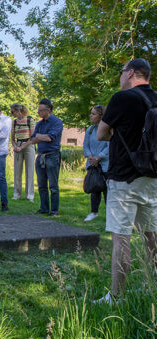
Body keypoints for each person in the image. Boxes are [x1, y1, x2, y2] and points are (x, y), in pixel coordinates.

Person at [95, 58, 157, 304]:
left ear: (131, 73)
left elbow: (101, 133)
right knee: (152, 235)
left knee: (121, 237)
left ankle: (116, 296)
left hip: (124, 178)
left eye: (122, 72)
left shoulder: (122, 98)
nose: (120, 77)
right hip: (152, 177)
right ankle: (151, 285)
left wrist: (118, 133)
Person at [15, 99, 63, 217]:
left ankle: (54, 210)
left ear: (48, 110)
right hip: (40, 155)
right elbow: (32, 139)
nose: (38, 112)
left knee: (53, 185)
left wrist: (39, 136)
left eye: (40, 110)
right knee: (41, 184)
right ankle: (44, 208)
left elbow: (49, 138)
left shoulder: (56, 122)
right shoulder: (40, 124)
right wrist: (40, 137)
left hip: (52, 155)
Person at [83, 105, 109, 222]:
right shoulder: (90, 130)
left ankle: (111, 216)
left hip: (105, 165)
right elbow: (85, 145)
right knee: (94, 189)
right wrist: (90, 157)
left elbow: (110, 146)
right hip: (92, 164)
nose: (91, 116)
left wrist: (99, 157)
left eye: (93, 114)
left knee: (108, 191)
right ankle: (94, 212)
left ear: (101, 116)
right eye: (91, 113)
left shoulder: (108, 129)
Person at [10, 103, 36, 202]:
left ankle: (29, 195)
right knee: (17, 172)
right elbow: (12, 137)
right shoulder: (14, 122)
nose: (12, 114)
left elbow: (32, 137)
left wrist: (22, 147)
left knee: (29, 171)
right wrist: (15, 146)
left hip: (28, 146)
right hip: (18, 146)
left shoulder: (30, 120)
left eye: (13, 112)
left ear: (18, 111)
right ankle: (17, 194)